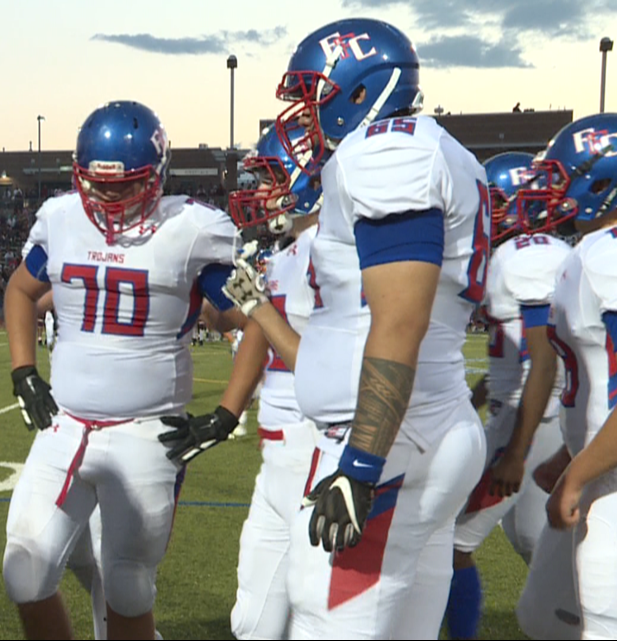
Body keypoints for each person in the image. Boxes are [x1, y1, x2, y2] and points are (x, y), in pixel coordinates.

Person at [224, 18, 488, 638]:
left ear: (361, 89)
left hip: (389, 437)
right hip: (427, 421)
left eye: (315, 96)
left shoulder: (387, 150)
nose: (304, 116)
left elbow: (399, 319)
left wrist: (362, 461)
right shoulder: (431, 148)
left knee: (326, 616)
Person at [2, 100, 253, 640]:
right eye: (97, 183)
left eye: (126, 184)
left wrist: (227, 413)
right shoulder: (62, 217)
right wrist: (24, 370)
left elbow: (257, 320)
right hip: (64, 424)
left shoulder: (191, 229)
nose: (109, 196)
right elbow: (21, 289)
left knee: (127, 585)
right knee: (23, 570)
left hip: (147, 431)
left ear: (157, 176)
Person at [445, 152, 573, 640]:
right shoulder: (527, 254)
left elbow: (541, 361)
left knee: (454, 540)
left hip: (528, 422)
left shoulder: (527, 258)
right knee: (534, 540)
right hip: (524, 414)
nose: (490, 212)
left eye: (497, 202)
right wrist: (477, 397)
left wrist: (515, 452)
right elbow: (514, 359)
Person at [224, 125, 323, 640]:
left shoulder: (331, 252)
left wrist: (256, 306)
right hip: (279, 456)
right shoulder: (289, 253)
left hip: (317, 449)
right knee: (253, 621)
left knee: (315, 616)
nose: (258, 193)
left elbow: (326, 373)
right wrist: (226, 412)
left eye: (269, 178)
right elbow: (259, 340)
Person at [534, 113, 617, 639]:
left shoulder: (606, 255)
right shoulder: (592, 252)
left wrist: (583, 474)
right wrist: (572, 455)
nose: (550, 194)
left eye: (561, 179)